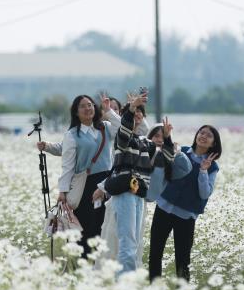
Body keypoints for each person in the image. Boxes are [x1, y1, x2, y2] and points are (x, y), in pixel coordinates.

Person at [92, 95, 175, 276]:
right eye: (134, 113)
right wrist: (130, 109)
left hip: (139, 195)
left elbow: (166, 159)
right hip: (125, 192)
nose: (137, 115)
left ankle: (125, 283)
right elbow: (124, 130)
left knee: (134, 243)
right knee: (128, 243)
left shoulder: (146, 143)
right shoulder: (123, 140)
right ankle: (124, 285)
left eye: (140, 113)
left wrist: (167, 138)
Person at [50, 94, 124, 258]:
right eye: (82, 106)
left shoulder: (104, 127)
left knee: (104, 224)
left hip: (106, 183)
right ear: (76, 112)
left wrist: (109, 110)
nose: (88, 108)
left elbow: (121, 126)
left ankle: (100, 263)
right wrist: (63, 191)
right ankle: (82, 262)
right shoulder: (72, 135)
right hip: (86, 185)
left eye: (90, 105)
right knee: (85, 225)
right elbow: (68, 165)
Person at [148, 125, 221, 282]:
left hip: (186, 216)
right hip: (164, 208)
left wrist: (203, 171)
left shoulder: (212, 166)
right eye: (201, 132)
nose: (203, 136)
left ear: (213, 143)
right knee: (155, 253)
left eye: (208, 135)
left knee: (183, 260)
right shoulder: (182, 151)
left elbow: (205, 193)